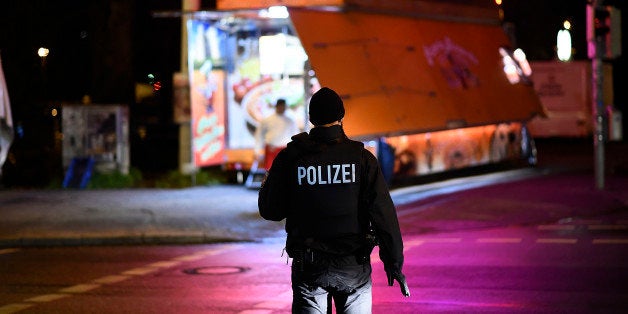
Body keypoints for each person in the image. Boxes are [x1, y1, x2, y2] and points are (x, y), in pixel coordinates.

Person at [258, 87, 409, 313]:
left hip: (309, 268)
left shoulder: (291, 157)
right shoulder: (361, 158)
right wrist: (394, 262)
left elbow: (271, 210)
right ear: (341, 116)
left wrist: (267, 182)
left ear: (311, 119)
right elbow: (383, 214)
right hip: (353, 267)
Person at [254, 98, 299, 170]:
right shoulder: (267, 120)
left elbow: (296, 136)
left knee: (285, 172)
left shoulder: (290, 121)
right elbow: (259, 135)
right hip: (271, 150)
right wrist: (257, 151)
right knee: (270, 172)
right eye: (280, 106)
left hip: (285, 151)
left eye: (283, 106)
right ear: (277, 106)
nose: (282, 108)